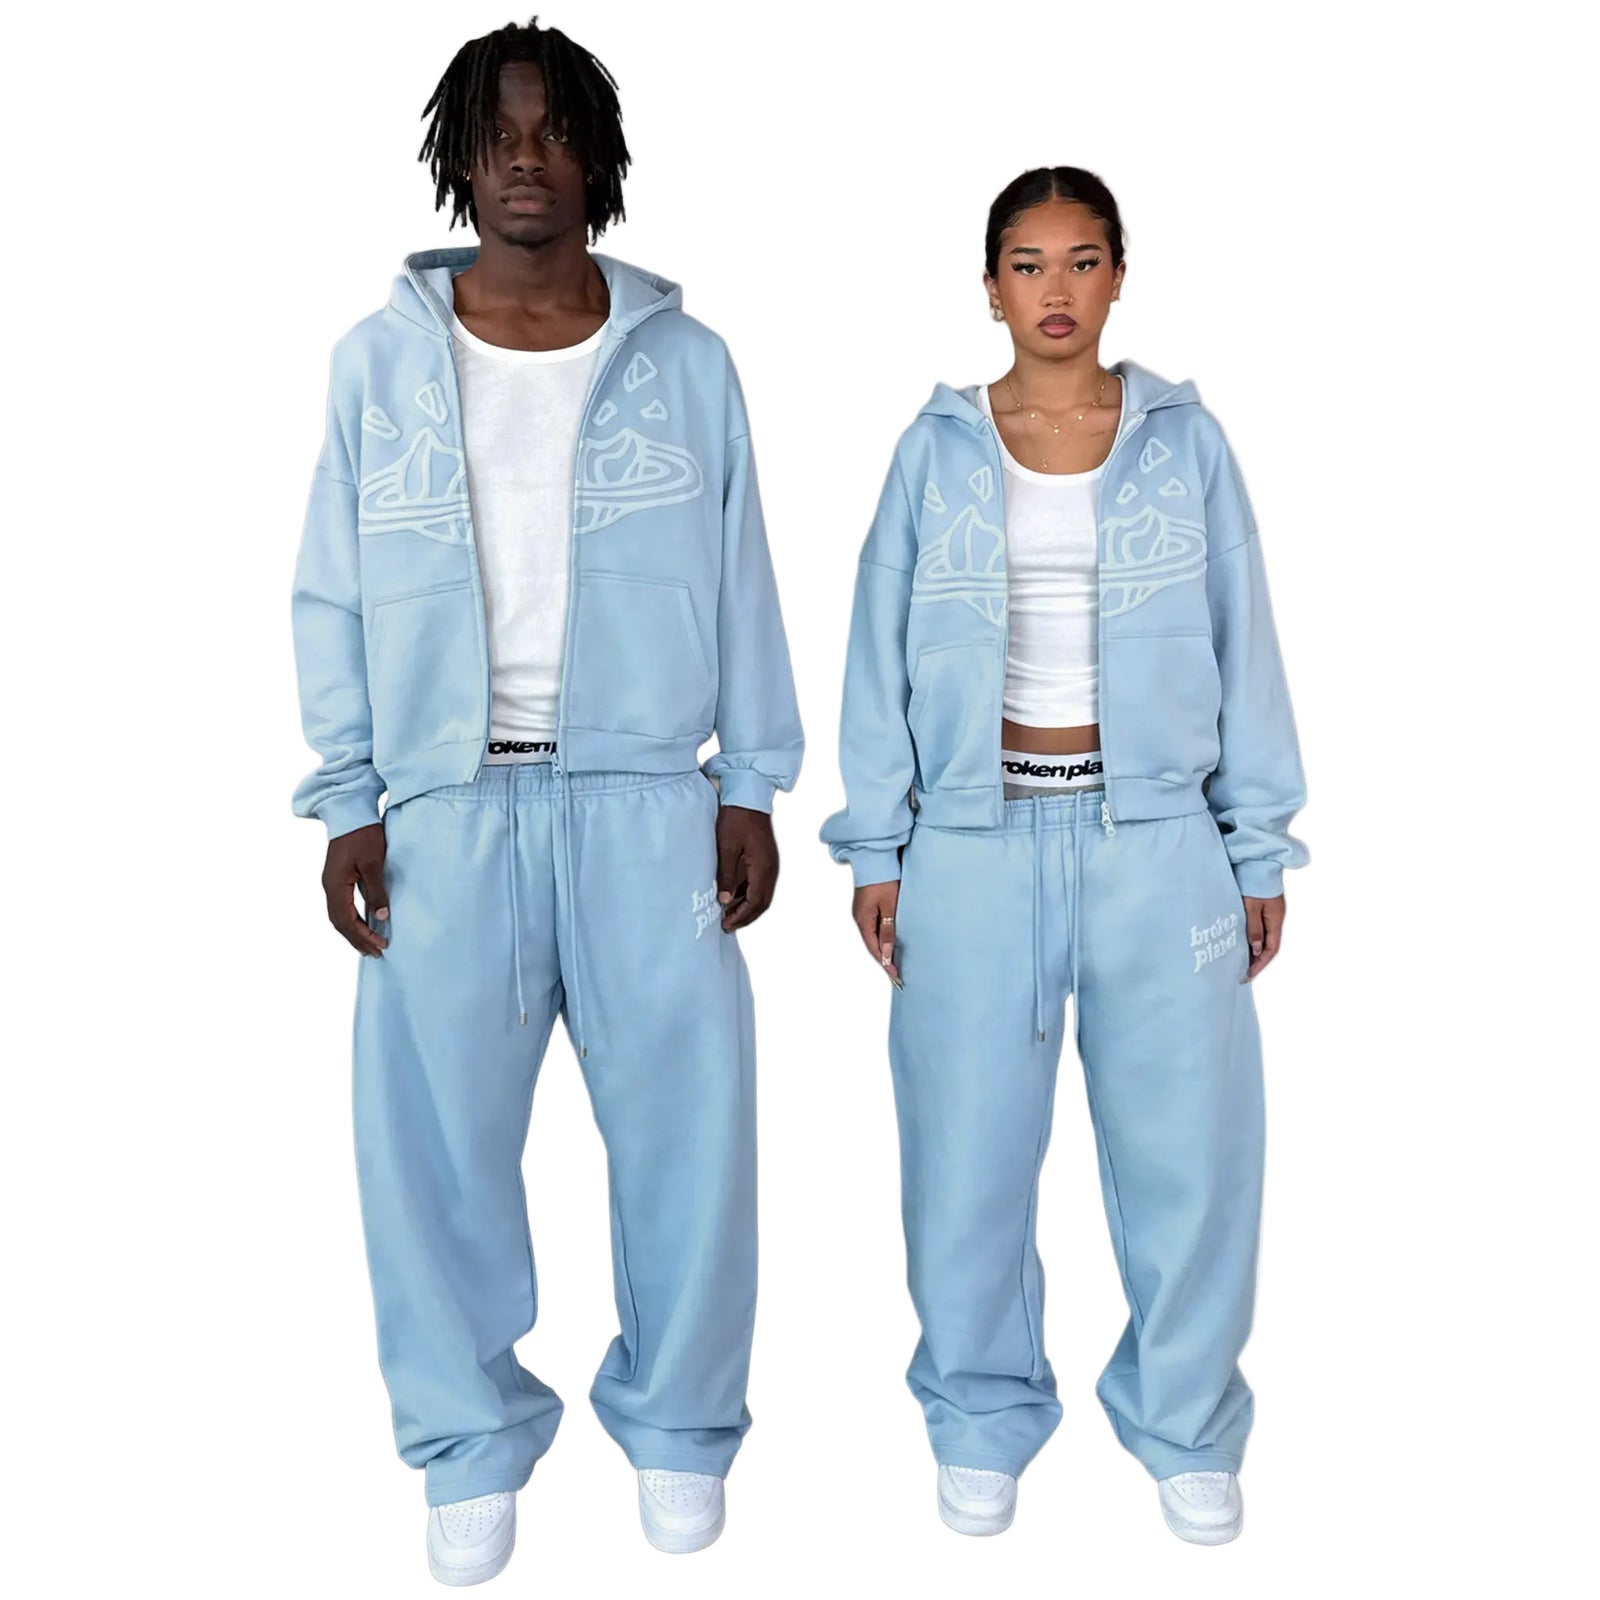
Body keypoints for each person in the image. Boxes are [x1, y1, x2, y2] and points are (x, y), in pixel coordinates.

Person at [290, 17, 802, 1579]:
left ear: (599, 158)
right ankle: (466, 1440)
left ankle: (681, 1427)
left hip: (646, 802)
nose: (527, 158)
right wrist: (351, 795)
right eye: (500, 133)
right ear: (461, 158)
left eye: (555, 130)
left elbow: (742, 571)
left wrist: (752, 782)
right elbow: (331, 589)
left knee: (690, 1134)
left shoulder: (688, 364)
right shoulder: (379, 363)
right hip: (445, 810)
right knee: (431, 1149)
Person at [820, 166, 1306, 1545]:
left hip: (1158, 843)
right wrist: (879, 843)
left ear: (1119, 277)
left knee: (1190, 1160)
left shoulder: (1184, 445)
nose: (1055, 290)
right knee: (964, 1157)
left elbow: (1246, 640)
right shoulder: (933, 452)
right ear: (991, 287)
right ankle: (980, 1414)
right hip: (973, 846)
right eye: (1028, 265)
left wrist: (1256, 848)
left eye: (1083, 261)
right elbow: (874, 655)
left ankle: (1187, 1422)